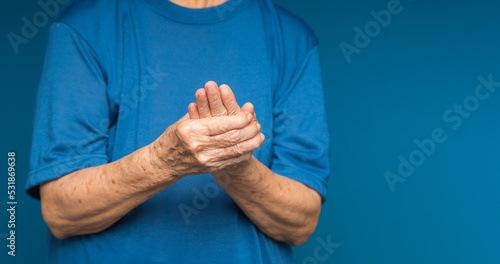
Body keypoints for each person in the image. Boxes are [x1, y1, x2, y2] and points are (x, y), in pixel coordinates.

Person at [26, 0, 330, 263]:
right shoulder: (84, 25)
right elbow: (61, 211)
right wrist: (162, 161)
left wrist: (233, 165)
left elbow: (299, 223)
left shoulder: (292, 39)